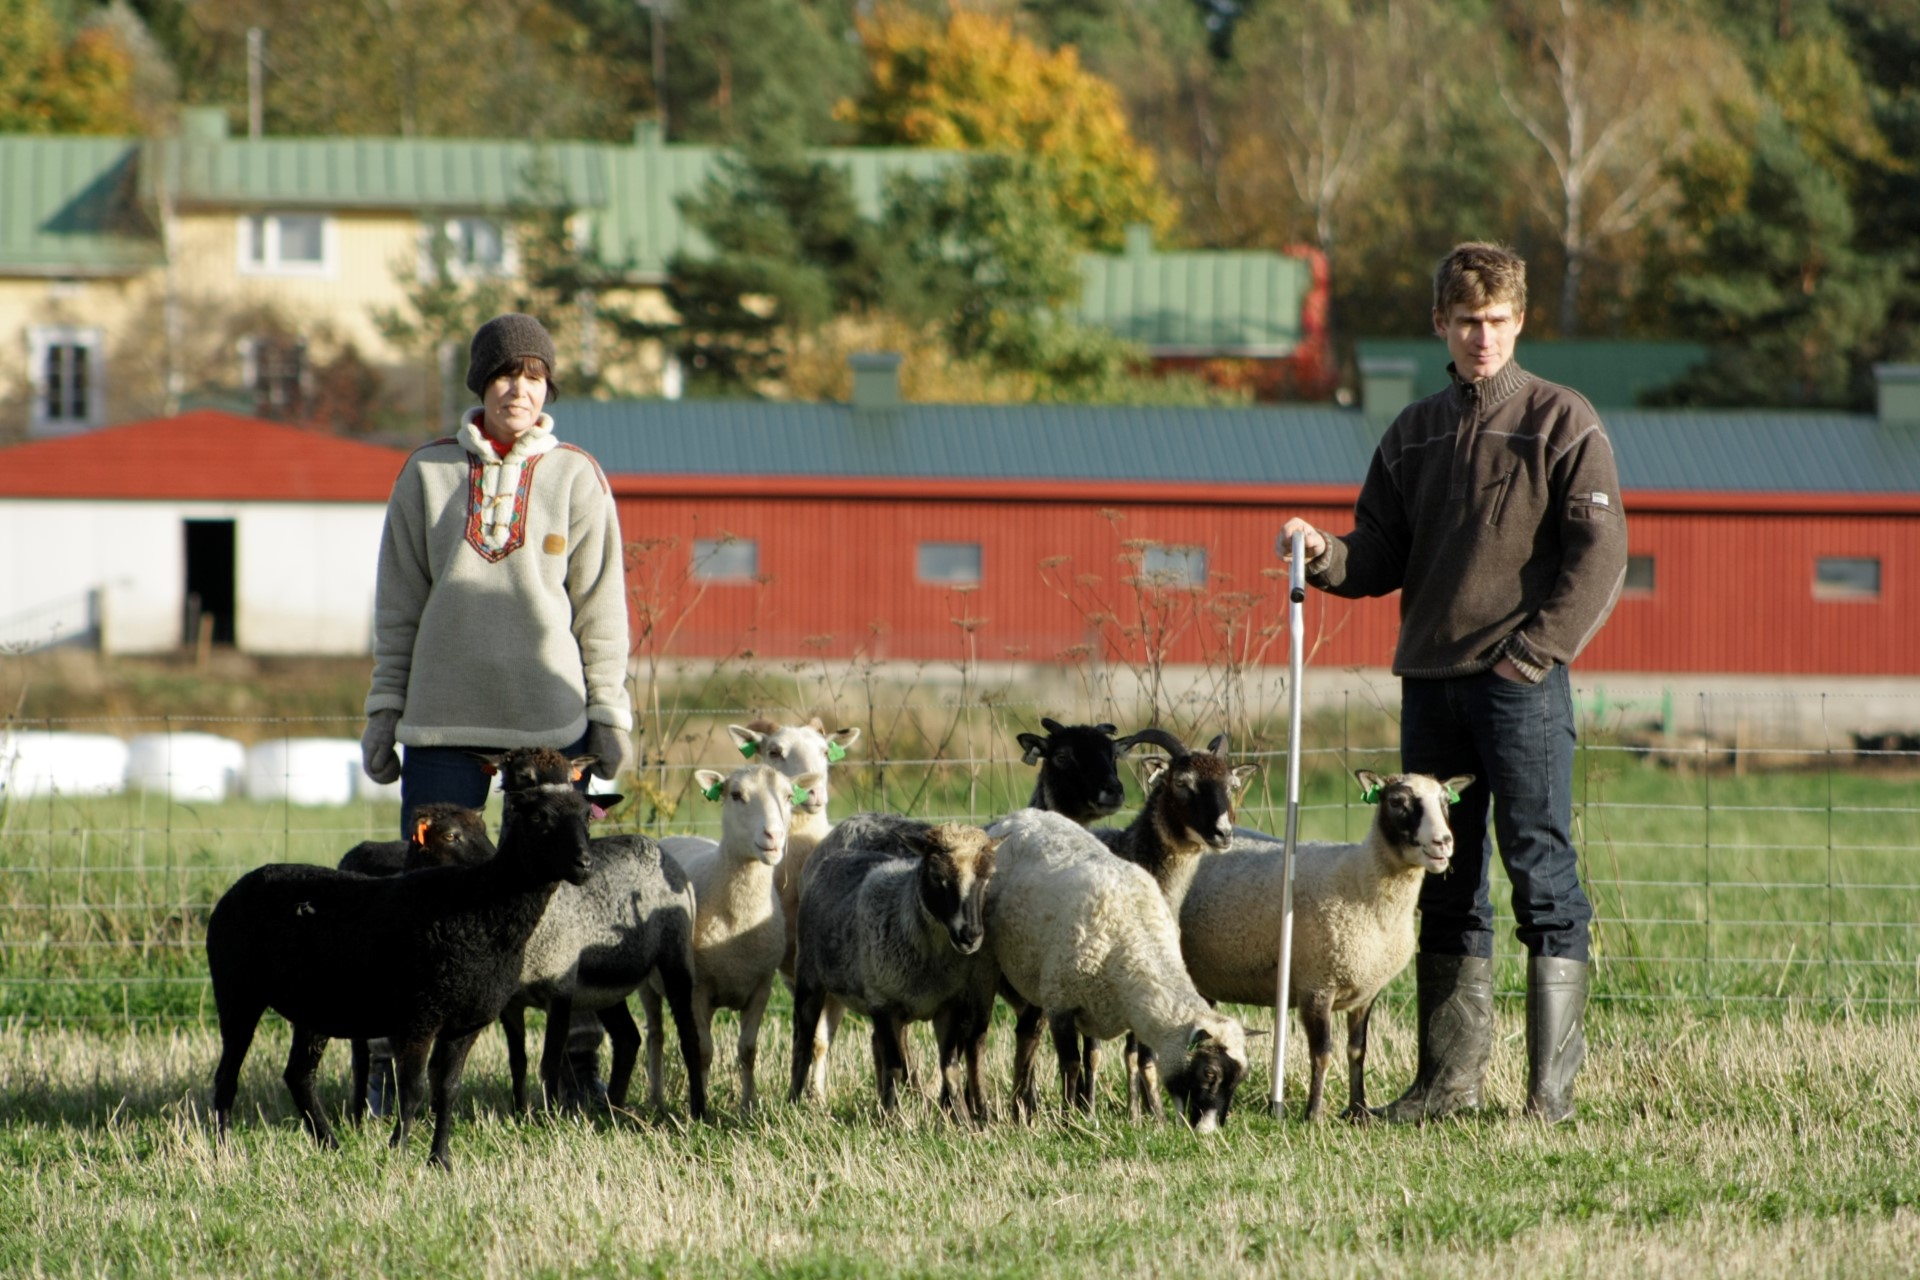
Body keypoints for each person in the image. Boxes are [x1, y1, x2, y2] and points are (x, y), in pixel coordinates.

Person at [1280, 242, 1627, 1123]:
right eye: (1468, 320)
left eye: (1499, 320)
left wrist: (1534, 653)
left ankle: (1548, 1097)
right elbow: (1379, 556)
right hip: (1429, 685)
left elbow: (1601, 560)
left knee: (1541, 874)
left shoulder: (1563, 420)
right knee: (1444, 879)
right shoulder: (1413, 432)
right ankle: (1447, 1085)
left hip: (1522, 686)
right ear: (1441, 323)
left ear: (1520, 321)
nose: (1483, 336)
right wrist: (1325, 556)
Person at [359, 311, 634, 1109]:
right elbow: (398, 605)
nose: (520, 387)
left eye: (536, 375)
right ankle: (396, 1070)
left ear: (549, 387)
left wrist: (610, 715)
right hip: (441, 721)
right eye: (506, 374)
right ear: (481, 384)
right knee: (423, 898)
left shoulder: (578, 475)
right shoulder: (427, 473)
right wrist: (385, 711)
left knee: (569, 897)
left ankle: (574, 1064)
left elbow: (602, 610)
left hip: (554, 728)